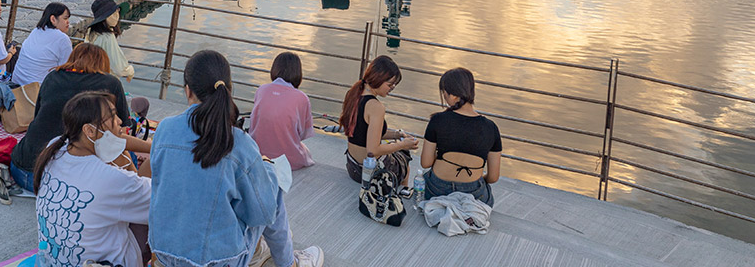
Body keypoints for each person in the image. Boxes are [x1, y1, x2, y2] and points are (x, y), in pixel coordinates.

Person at [149, 50, 323, 267]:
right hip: (218, 261)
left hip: (164, 252)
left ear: (187, 91)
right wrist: (267, 167)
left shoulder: (165, 129)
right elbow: (264, 212)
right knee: (272, 188)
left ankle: (263, 250)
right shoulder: (240, 143)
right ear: (229, 90)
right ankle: (290, 263)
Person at [34, 91, 153, 267]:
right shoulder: (111, 179)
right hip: (108, 262)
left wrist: (147, 147)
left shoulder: (56, 147)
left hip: (53, 261)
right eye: (113, 116)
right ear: (89, 130)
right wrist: (156, 152)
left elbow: (117, 140)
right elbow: (166, 206)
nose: (120, 121)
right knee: (153, 165)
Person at [10, 43, 150, 193]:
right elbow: (119, 135)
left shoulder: (52, 77)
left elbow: (38, 116)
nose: (119, 120)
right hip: (54, 182)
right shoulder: (110, 83)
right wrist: (153, 148)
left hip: (20, 169)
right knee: (126, 156)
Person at [420, 67, 503, 206]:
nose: (444, 97)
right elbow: (493, 177)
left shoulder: (438, 120)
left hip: (437, 189)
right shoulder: (491, 127)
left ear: (452, 95)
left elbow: (426, 163)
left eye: (444, 93)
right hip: (473, 194)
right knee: (485, 190)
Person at [339, 55, 419, 184]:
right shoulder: (375, 106)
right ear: (378, 78)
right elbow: (373, 150)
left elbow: (364, 133)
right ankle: (401, 194)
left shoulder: (353, 94)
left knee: (396, 149)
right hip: (371, 173)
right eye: (390, 84)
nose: (392, 88)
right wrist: (403, 144)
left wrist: (396, 135)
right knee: (403, 157)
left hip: (353, 166)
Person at [248, 51, 315, 169]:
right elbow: (304, 133)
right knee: (305, 151)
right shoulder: (302, 98)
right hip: (289, 160)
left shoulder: (262, 90)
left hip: (257, 154)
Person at [11, 2, 73, 87]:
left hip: (17, 83)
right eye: (65, 18)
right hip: (37, 90)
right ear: (53, 19)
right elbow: (66, 69)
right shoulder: (63, 39)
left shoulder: (36, 31)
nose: (68, 22)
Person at [85, 0, 134, 81]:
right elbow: (119, 68)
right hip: (105, 82)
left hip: (92, 79)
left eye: (117, 11)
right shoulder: (107, 37)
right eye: (112, 13)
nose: (116, 16)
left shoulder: (91, 32)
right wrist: (130, 71)